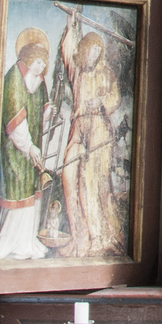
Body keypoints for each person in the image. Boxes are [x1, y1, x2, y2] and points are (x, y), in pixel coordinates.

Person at [58, 16, 125, 257]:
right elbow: (67, 51)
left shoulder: (105, 73)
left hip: (99, 130)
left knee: (92, 180)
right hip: (79, 128)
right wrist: (71, 25)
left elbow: (115, 98)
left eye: (99, 52)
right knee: (68, 173)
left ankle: (99, 236)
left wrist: (102, 102)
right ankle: (79, 236)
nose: (94, 56)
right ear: (84, 50)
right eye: (92, 51)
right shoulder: (77, 71)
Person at [0, 28, 52, 260]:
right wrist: (28, 146)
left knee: (31, 192)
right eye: (37, 62)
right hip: (15, 150)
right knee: (18, 191)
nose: (40, 67)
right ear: (27, 59)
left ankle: (27, 242)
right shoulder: (14, 78)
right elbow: (15, 120)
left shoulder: (36, 80)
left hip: (31, 149)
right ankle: (11, 242)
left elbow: (39, 110)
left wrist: (49, 114)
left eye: (43, 64)